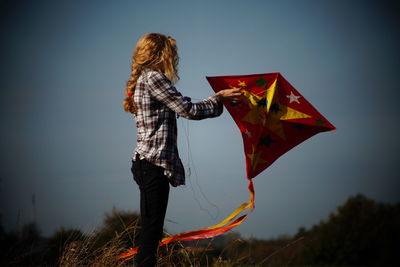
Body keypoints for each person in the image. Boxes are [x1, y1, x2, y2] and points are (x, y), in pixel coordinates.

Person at [123, 33, 242, 267]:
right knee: (151, 234)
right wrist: (219, 98)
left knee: (151, 231)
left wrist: (218, 101)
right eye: (171, 53)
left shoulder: (145, 79)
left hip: (148, 164)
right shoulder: (154, 78)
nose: (174, 58)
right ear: (160, 54)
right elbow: (188, 110)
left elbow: (181, 106)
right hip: (152, 165)